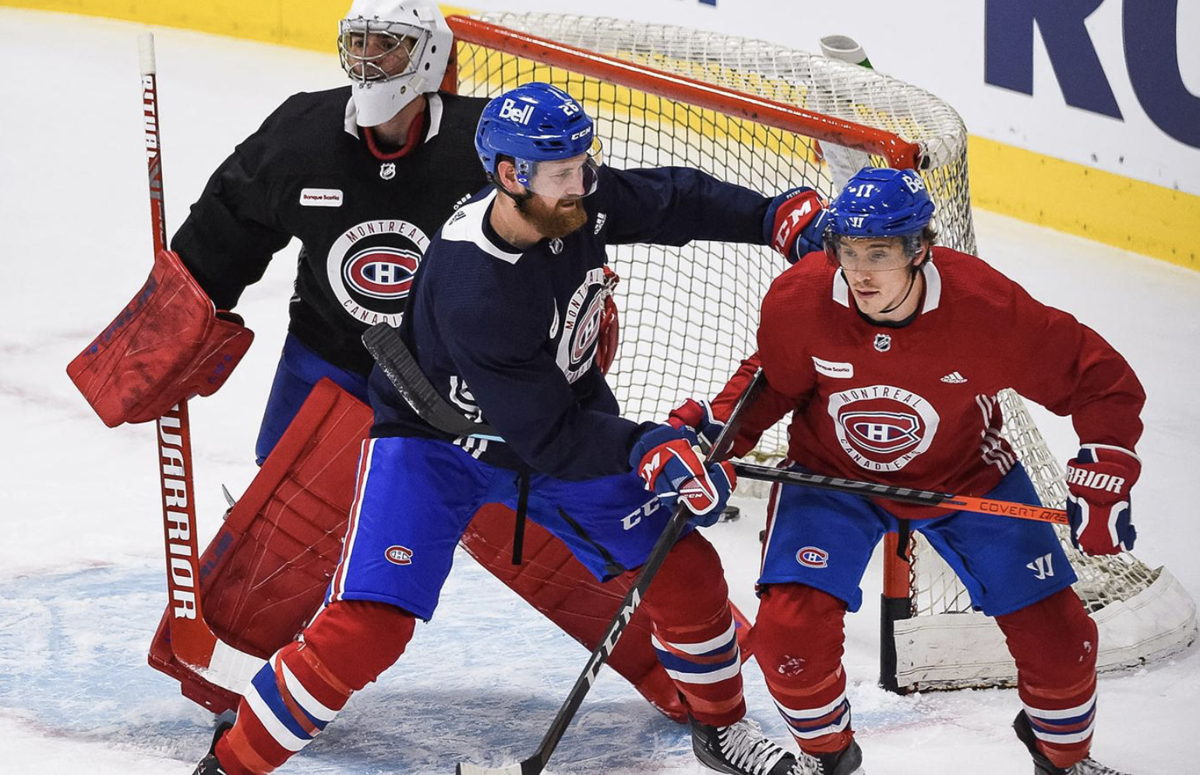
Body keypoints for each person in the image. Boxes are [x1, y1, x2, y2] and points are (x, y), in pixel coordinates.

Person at [67, 0, 722, 732]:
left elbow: (583, 209)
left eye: (393, 44)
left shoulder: (489, 144)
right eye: (361, 43)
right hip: (332, 360)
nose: (372, 59)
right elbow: (226, 227)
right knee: (293, 525)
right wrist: (170, 328)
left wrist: (574, 309)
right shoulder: (302, 134)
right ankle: (246, 690)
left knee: (551, 524)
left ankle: (681, 676)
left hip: (476, 390)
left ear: (431, 57)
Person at [191, 81, 831, 775]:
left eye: (585, 165)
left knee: (685, 570)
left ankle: (723, 731)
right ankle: (233, 760)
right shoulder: (478, 287)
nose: (584, 185)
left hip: (553, 427)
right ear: (507, 175)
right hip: (436, 448)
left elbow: (674, 199)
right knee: (367, 630)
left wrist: (772, 217)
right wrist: (647, 443)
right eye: (563, 175)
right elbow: (551, 440)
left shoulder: (569, 197)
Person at [679, 166, 1144, 775]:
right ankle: (828, 759)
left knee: (1062, 641)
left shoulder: (986, 308)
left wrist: (1106, 465)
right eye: (847, 251)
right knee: (788, 639)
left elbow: (1099, 379)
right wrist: (716, 435)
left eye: (880, 252)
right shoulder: (800, 299)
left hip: (966, 475)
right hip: (832, 476)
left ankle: (1061, 759)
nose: (861, 272)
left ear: (920, 248)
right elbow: (769, 382)